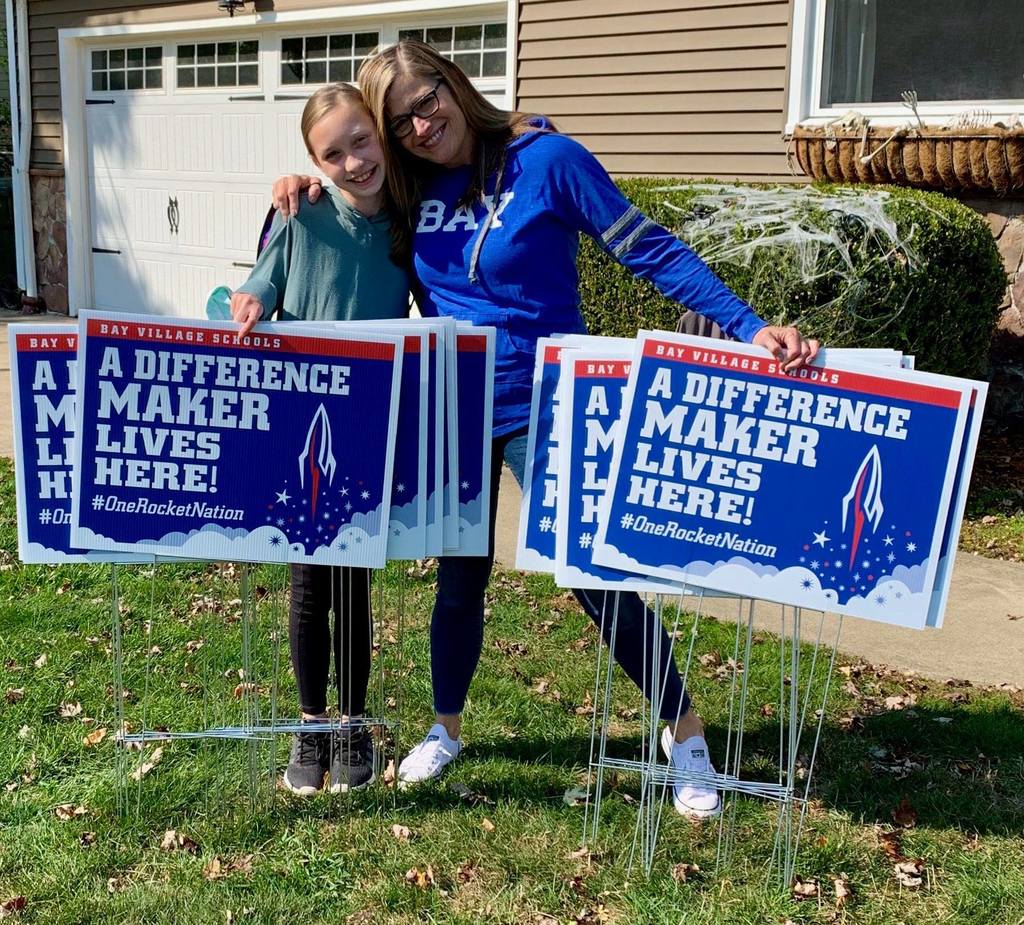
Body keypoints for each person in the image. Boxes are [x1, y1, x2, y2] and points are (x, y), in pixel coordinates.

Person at [272, 40, 819, 817]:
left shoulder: (548, 159)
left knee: (590, 572)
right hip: (455, 404)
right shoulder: (408, 182)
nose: (422, 125)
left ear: (453, 84)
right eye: (400, 122)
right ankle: (447, 725)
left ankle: (685, 731)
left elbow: (644, 247)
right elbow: (349, 200)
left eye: (427, 100)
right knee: (459, 578)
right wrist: (299, 183)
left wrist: (746, 324)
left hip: (545, 401)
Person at [232, 82, 409, 795]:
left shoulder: (407, 219)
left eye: (360, 140)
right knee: (308, 586)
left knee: (354, 584)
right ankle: (310, 724)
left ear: (378, 131)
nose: (353, 161)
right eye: (331, 153)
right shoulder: (299, 212)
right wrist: (250, 299)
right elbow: (263, 281)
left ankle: (354, 722)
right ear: (312, 161)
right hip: (300, 418)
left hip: (367, 420)